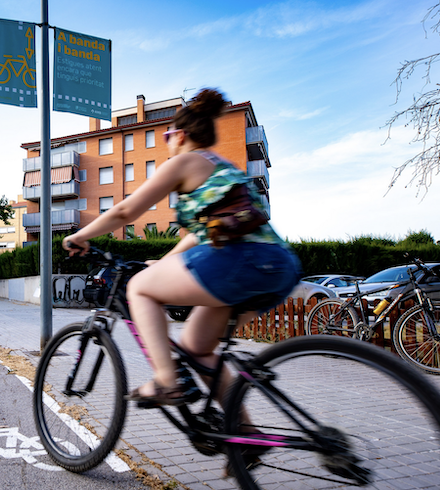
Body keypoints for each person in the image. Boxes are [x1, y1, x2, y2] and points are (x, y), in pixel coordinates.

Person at [63, 88, 301, 412]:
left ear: (181, 134)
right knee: (197, 347)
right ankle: (244, 437)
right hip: (279, 264)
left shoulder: (186, 161)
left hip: (240, 260)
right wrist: (162, 263)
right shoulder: (224, 167)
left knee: (139, 288)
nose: (166, 142)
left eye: (166, 135)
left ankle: (167, 381)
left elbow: (124, 212)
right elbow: (196, 237)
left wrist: (79, 236)